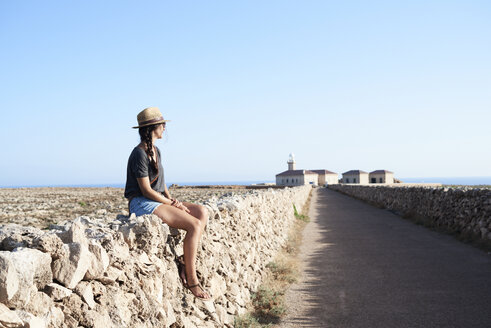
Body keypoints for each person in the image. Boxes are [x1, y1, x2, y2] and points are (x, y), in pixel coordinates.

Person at [124, 107, 210, 300]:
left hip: (157, 199)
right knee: (194, 224)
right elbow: (146, 190)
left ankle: (183, 259)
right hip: (141, 203)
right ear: (152, 127)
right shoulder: (139, 154)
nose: (164, 127)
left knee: (202, 212)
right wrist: (172, 204)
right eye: (162, 124)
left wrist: (174, 201)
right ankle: (192, 279)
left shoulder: (156, 151)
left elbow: (161, 185)